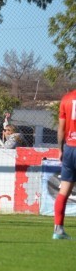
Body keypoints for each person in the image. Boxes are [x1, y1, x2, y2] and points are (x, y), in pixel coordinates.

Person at [53, 90, 76, 239]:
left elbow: (61, 129)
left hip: (69, 149)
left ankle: (58, 230)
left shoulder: (66, 98)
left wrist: (60, 149)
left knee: (63, 191)